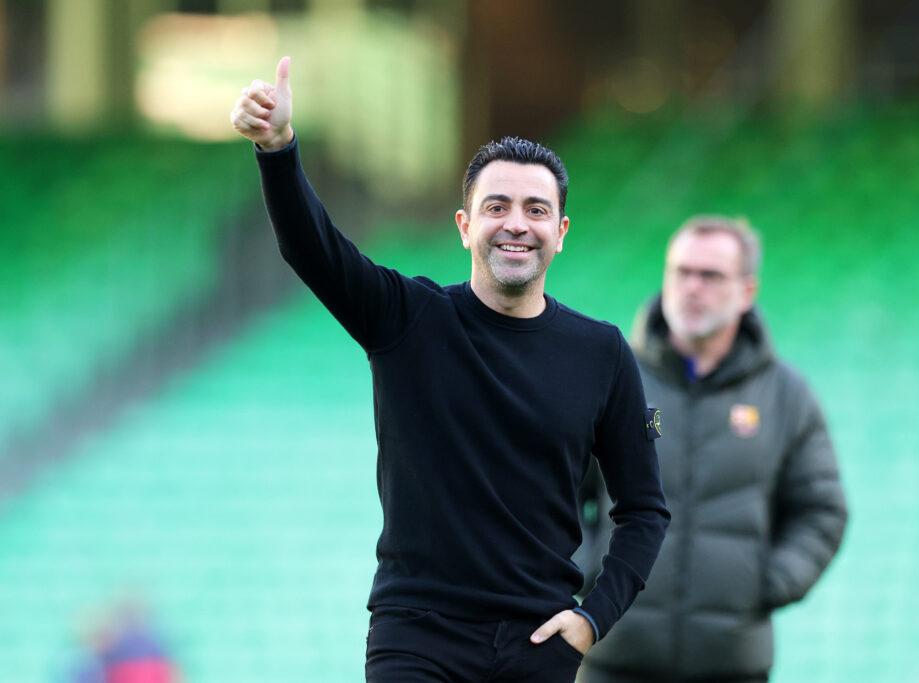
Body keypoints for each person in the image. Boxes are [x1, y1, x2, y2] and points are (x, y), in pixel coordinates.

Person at [230, 57, 669, 682]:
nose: (516, 223)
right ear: (465, 226)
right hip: (416, 639)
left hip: (537, 645)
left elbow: (645, 509)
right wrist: (277, 149)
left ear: (561, 232)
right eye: (497, 206)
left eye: (536, 210)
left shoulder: (601, 352)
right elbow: (311, 248)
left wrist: (593, 618)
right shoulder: (408, 317)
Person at [578, 215, 848, 683]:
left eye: (711, 276)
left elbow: (822, 510)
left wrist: (767, 581)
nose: (691, 287)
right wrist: (585, 572)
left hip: (732, 665)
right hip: (610, 656)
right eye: (680, 272)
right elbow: (546, 488)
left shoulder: (786, 394)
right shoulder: (610, 377)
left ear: (746, 291)